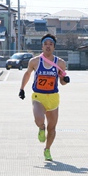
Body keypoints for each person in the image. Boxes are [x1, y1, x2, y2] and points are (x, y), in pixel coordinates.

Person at [18, 33, 70, 161]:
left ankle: (47, 149)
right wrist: (22, 89)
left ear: (54, 47)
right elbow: (28, 74)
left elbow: (62, 82)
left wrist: (65, 80)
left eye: (50, 44)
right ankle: (41, 128)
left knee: (52, 128)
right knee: (39, 119)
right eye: (45, 44)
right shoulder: (34, 61)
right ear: (42, 46)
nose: (48, 46)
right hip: (38, 96)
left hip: (53, 97)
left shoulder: (60, 63)